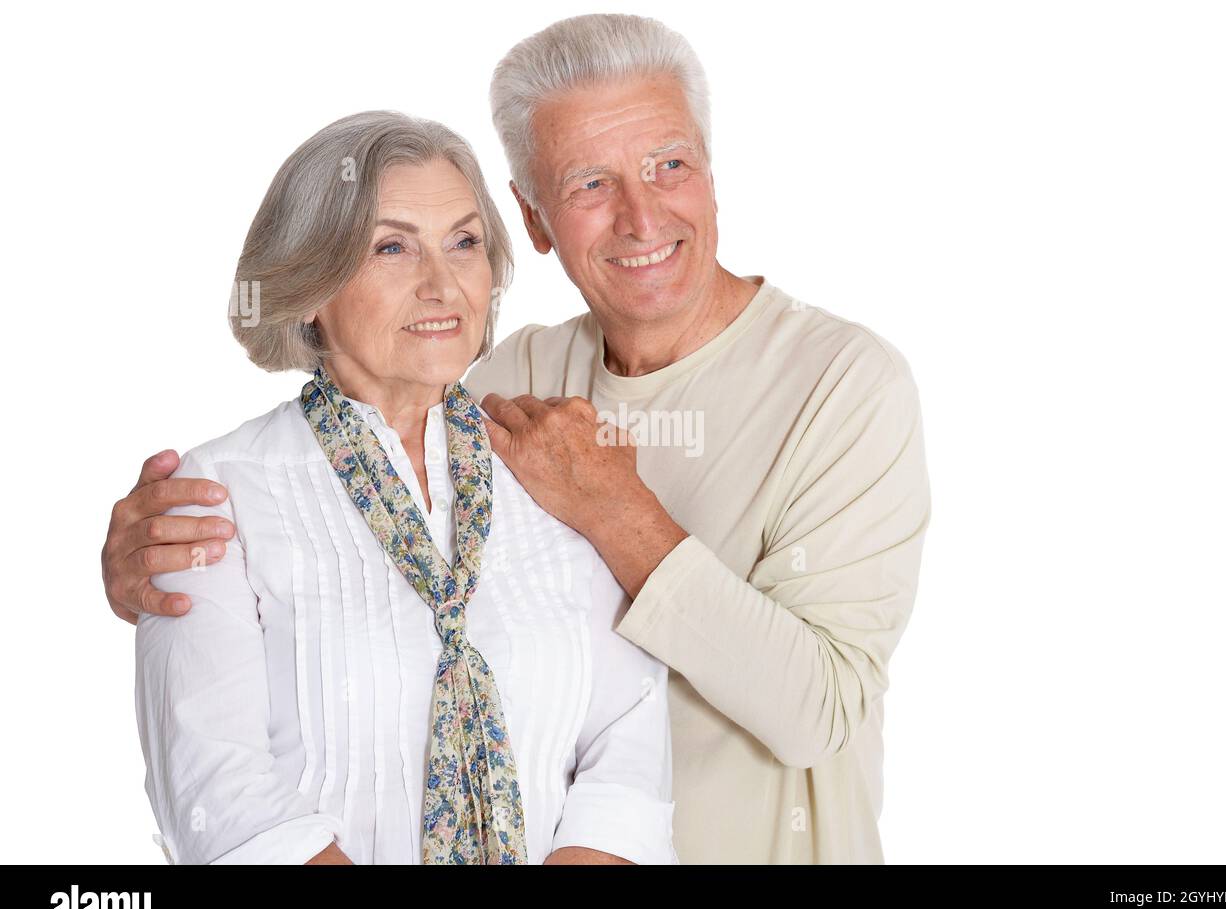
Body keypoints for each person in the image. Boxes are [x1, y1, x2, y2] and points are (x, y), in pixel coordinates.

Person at [105, 14, 931, 864]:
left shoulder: (845, 384)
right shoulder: (507, 390)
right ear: (534, 222)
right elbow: (226, 758)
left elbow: (815, 710)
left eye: (669, 165)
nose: (642, 217)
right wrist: (147, 566)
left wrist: (619, 512)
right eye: (590, 185)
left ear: (712, 177)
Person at [131, 109, 676, 865]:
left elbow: (630, 751)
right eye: (393, 247)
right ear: (309, 286)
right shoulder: (214, 494)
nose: (441, 283)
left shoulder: (554, 462)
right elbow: (218, 790)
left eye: (465, 243)